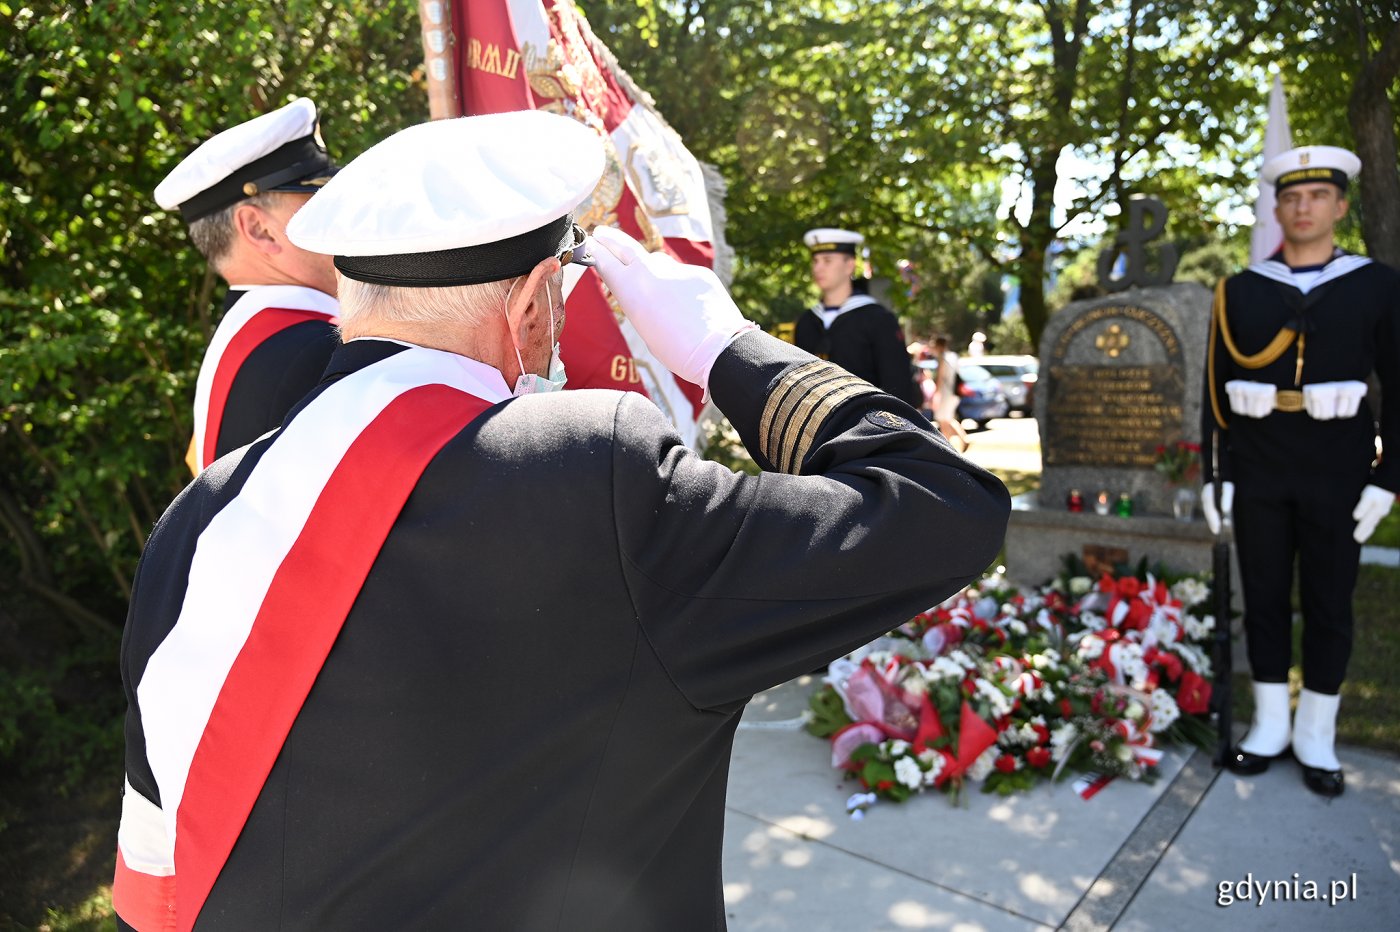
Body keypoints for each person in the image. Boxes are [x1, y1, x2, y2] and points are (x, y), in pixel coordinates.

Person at [111, 111, 1010, 931]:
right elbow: (943, 505)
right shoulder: (599, 473)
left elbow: (154, 889)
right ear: (536, 301)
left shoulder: (198, 517)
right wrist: (721, 346)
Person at [1201, 144, 1399, 798]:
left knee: (1328, 602)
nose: (1303, 207)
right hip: (1258, 470)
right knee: (1261, 598)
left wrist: (1389, 476)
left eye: (1317, 196)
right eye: (1291, 197)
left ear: (1340, 206)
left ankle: (1316, 732)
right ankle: (1268, 726)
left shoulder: (1377, 285)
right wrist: (1215, 473)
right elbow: (1215, 390)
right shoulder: (1240, 289)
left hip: (1338, 471)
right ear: (1277, 207)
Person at [154, 98, 342, 475]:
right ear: (259, 230)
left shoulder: (262, 336)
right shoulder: (314, 352)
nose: (340, 210)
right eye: (318, 197)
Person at [792, 228, 921, 406]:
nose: (818, 267)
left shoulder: (879, 319)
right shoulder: (807, 322)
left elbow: (898, 388)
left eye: (827, 260)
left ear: (849, 265)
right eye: (815, 261)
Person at [932, 335, 970, 452]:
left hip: (945, 393)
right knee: (947, 419)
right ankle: (949, 445)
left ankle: (959, 441)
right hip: (954, 392)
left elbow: (940, 377)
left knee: (944, 419)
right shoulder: (953, 356)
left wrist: (935, 394)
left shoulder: (943, 357)